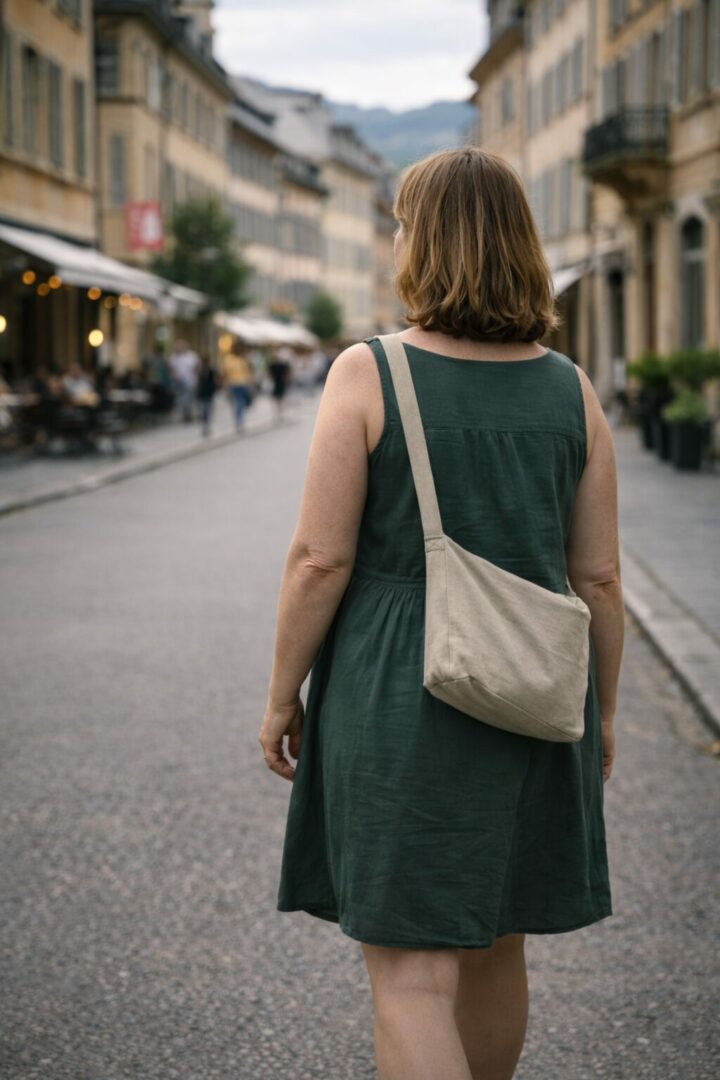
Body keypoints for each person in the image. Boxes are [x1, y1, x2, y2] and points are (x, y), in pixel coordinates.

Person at [259, 147, 624, 1080]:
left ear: (422, 243)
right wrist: (604, 711)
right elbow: (599, 579)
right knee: (499, 942)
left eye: (400, 226)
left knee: (413, 976)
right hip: (533, 691)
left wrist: (283, 693)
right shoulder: (571, 388)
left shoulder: (368, 372)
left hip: (399, 691)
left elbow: (319, 559)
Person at [220, 345, 254, 432]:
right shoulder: (230, 359)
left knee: (241, 402)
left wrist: (250, 382)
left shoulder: (242, 359)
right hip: (234, 383)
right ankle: (239, 421)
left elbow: (248, 371)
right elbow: (224, 372)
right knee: (239, 402)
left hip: (242, 383)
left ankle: (239, 420)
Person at [168, 339, 199, 422]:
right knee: (182, 399)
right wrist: (176, 377)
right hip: (179, 382)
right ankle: (185, 415)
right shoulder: (174, 357)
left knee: (188, 399)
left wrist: (196, 376)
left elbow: (197, 367)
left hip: (190, 381)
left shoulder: (192, 356)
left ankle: (188, 414)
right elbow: (172, 369)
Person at [267, 346, 292, 420]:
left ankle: (279, 413)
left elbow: (287, 373)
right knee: (276, 398)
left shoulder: (282, 364)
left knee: (280, 398)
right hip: (275, 382)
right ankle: (277, 413)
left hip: (280, 383)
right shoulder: (272, 364)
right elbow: (269, 374)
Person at [196, 354, 218, 437]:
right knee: (204, 411)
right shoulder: (199, 371)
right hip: (203, 393)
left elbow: (214, 381)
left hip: (208, 393)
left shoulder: (211, 370)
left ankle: (206, 426)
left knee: (207, 410)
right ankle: (206, 426)